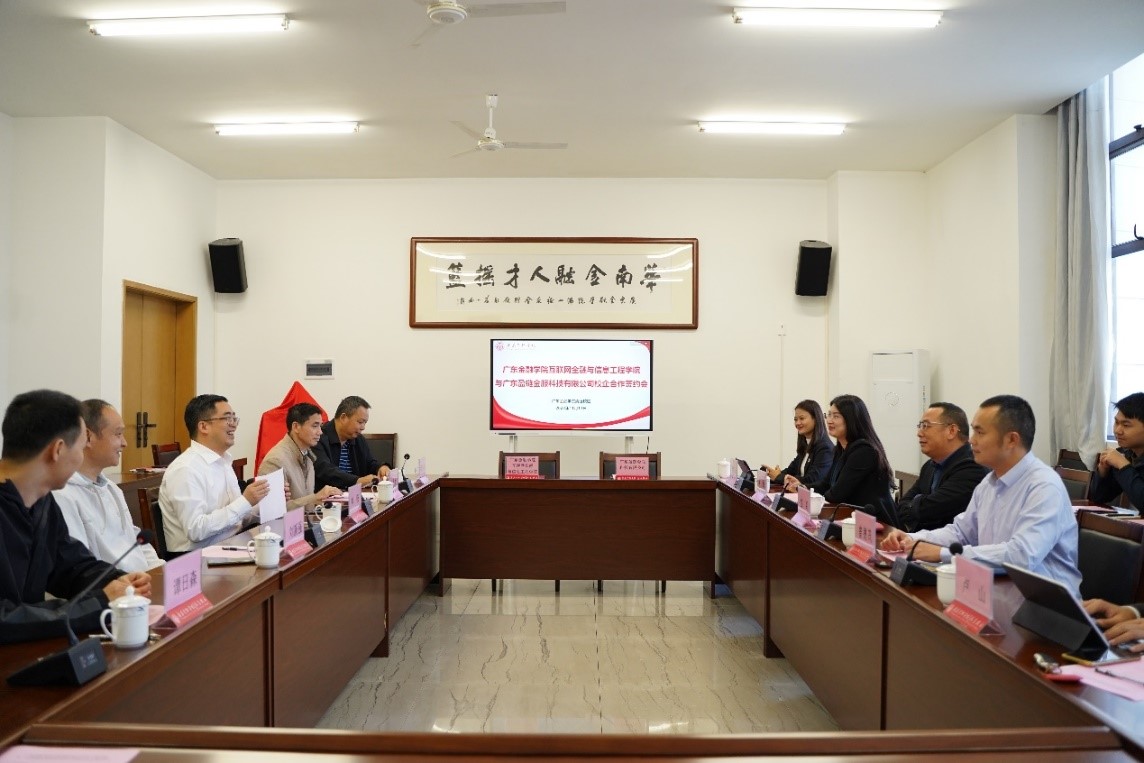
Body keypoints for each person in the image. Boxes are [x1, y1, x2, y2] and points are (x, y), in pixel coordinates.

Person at [881, 395, 1082, 594]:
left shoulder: (1043, 486)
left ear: (1011, 440)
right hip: (995, 589)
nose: (971, 440)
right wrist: (912, 539)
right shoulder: (989, 482)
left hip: (1042, 603)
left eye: (980, 432)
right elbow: (961, 532)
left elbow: (1021, 556)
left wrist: (942, 553)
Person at [0, 390, 151, 644]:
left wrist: (117, 581)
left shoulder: (41, 501)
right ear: (58, 450)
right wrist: (101, 602)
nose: (81, 458)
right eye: (81, 448)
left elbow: (70, 566)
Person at [54, 399, 163, 572]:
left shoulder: (112, 488)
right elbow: (79, 566)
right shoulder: (63, 496)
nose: (124, 443)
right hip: (113, 585)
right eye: (118, 434)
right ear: (87, 437)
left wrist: (161, 571)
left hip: (141, 581)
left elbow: (136, 540)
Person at [159, 394, 271, 553]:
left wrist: (266, 501)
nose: (234, 425)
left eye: (234, 418)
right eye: (227, 419)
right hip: (197, 558)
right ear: (204, 426)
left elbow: (236, 518)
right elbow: (196, 530)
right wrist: (245, 501)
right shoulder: (185, 469)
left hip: (230, 545)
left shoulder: (223, 462)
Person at [784, 394, 896, 524]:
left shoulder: (864, 451)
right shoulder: (841, 449)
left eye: (836, 416)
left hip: (875, 524)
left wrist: (811, 496)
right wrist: (801, 486)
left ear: (851, 419)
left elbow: (836, 494)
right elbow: (825, 484)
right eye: (829, 415)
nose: (829, 421)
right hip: (851, 519)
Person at [895, 402, 989, 532]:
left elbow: (930, 510)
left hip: (952, 543)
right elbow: (903, 504)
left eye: (926, 426)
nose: (919, 433)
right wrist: (916, 505)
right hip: (924, 539)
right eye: (920, 426)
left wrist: (916, 504)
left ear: (951, 431)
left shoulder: (972, 468)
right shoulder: (929, 466)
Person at [259, 402, 341, 510]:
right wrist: (315, 498)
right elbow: (272, 510)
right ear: (296, 427)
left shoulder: (309, 456)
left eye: (320, 426)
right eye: (315, 426)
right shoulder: (275, 461)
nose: (320, 432)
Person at [314, 396, 391, 490]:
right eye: (360, 422)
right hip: (327, 496)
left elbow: (369, 463)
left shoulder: (358, 438)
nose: (363, 427)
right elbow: (325, 470)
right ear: (343, 417)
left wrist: (381, 467)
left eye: (365, 423)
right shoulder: (318, 437)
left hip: (354, 495)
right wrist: (357, 481)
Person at [1089, 392, 1144, 511]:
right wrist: (1103, 472)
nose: (1117, 430)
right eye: (1116, 423)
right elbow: (1098, 498)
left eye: (1126, 425)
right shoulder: (1126, 454)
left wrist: (1123, 466)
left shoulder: (1121, 459)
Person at [763, 399, 834, 488]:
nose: (797, 423)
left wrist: (779, 477)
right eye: (795, 419)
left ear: (815, 419)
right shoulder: (806, 445)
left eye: (802, 418)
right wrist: (772, 474)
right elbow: (791, 470)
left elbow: (813, 479)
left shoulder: (825, 448)